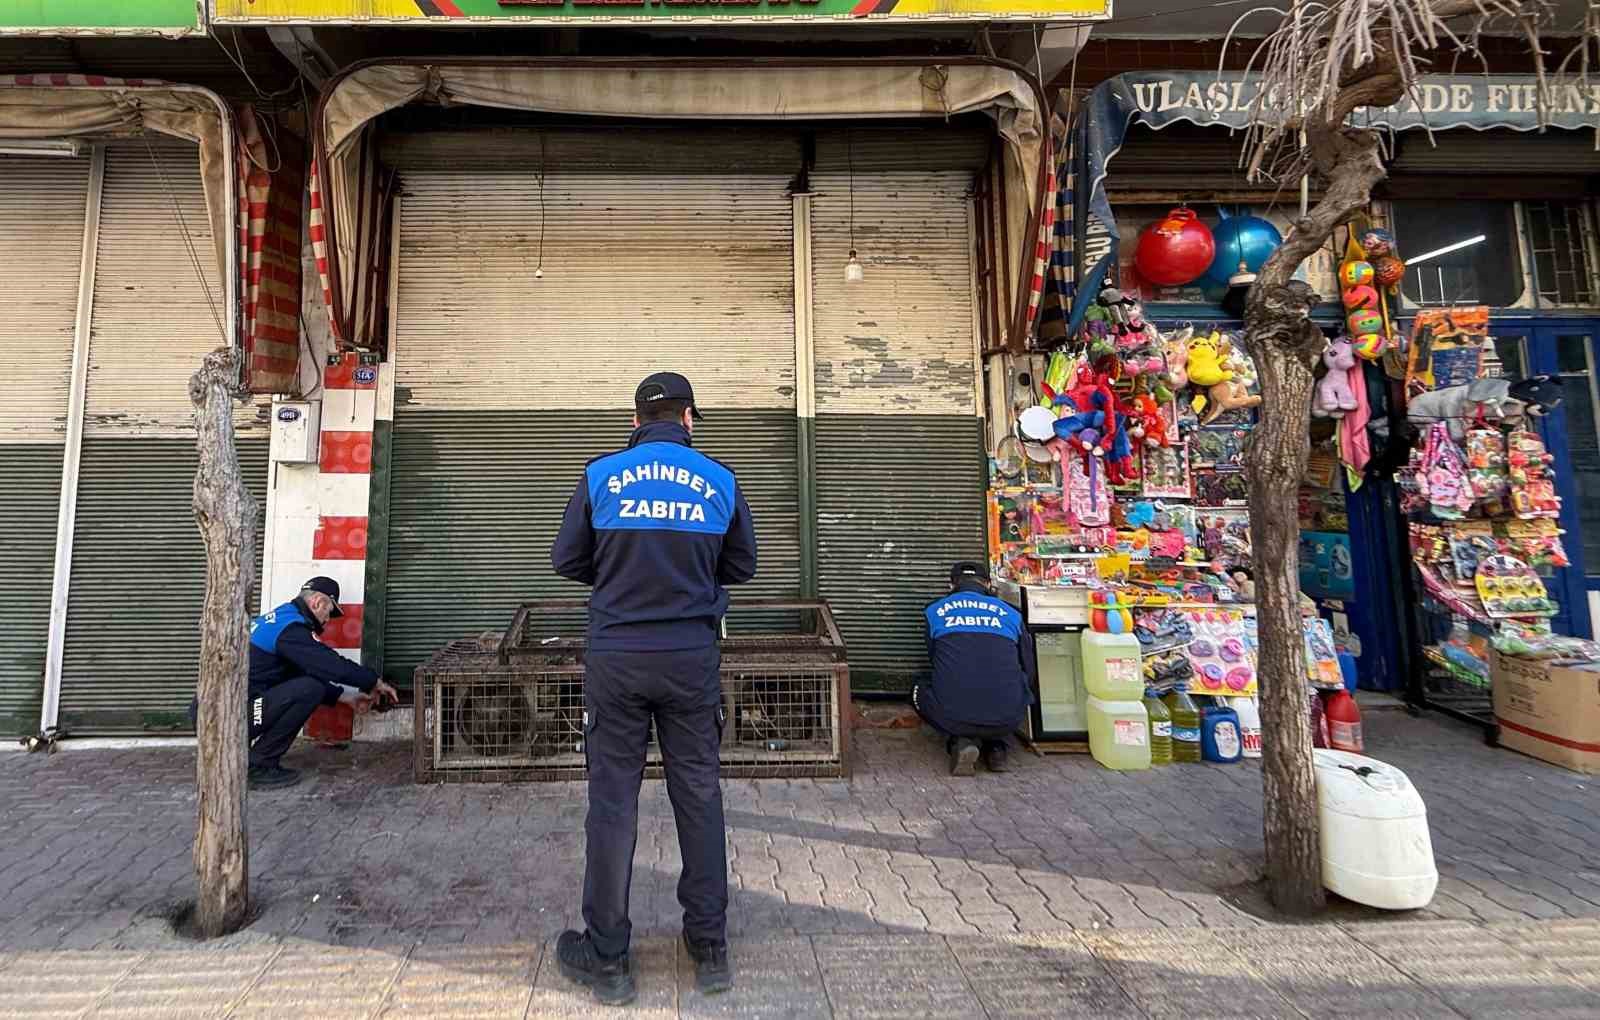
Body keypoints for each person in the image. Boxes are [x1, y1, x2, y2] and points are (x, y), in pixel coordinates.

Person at [551, 371, 757, 1006]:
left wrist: (619, 578)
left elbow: (567, 560)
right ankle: (710, 946)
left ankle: (608, 957)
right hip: (691, 658)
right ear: (689, 418)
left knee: (612, 805)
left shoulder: (600, 475)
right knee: (699, 796)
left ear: (637, 419)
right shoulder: (720, 479)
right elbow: (743, 566)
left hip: (616, 657)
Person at [189, 576, 397, 790]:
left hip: (211, 714)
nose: (327, 620)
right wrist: (374, 681)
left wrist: (345, 697)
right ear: (318, 602)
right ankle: (258, 765)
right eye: (329, 612)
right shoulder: (291, 629)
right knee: (310, 689)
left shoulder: (280, 620)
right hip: (221, 719)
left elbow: (297, 674)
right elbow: (329, 665)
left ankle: (248, 757)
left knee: (308, 686)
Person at [914, 562, 1034, 776]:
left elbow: (935, 658)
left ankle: (959, 742)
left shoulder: (934, 611)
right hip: (1009, 717)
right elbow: (1028, 665)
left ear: (951, 585)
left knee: (918, 687)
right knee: (1014, 684)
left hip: (952, 715)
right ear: (988, 585)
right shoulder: (1012, 614)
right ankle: (997, 747)